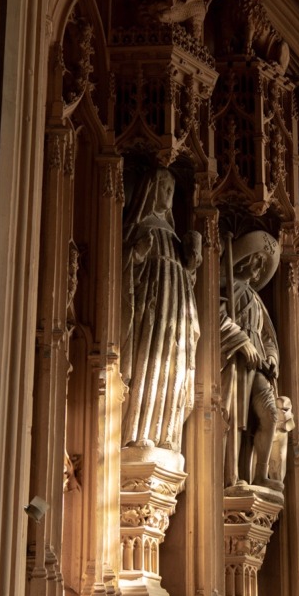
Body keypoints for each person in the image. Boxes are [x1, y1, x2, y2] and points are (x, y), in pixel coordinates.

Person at [121, 166, 202, 453]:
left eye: (171, 190)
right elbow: (122, 267)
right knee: (149, 364)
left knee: (173, 368)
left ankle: (166, 433)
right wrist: (138, 252)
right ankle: (139, 431)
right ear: (151, 190)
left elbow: (188, 282)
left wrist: (190, 265)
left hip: (176, 314)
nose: (168, 195)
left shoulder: (175, 238)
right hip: (151, 312)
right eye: (164, 188)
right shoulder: (137, 227)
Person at [220, 231, 280, 487]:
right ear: (244, 260)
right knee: (234, 419)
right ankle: (231, 477)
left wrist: (272, 357)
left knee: (270, 415)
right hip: (235, 363)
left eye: (263, 264)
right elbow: (216, 317)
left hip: (258, 369)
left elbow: (267, 336)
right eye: (257, 260)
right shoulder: (227, 287)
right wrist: (241, 341)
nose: (259, 267)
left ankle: (260, 474)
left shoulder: (256, 299)